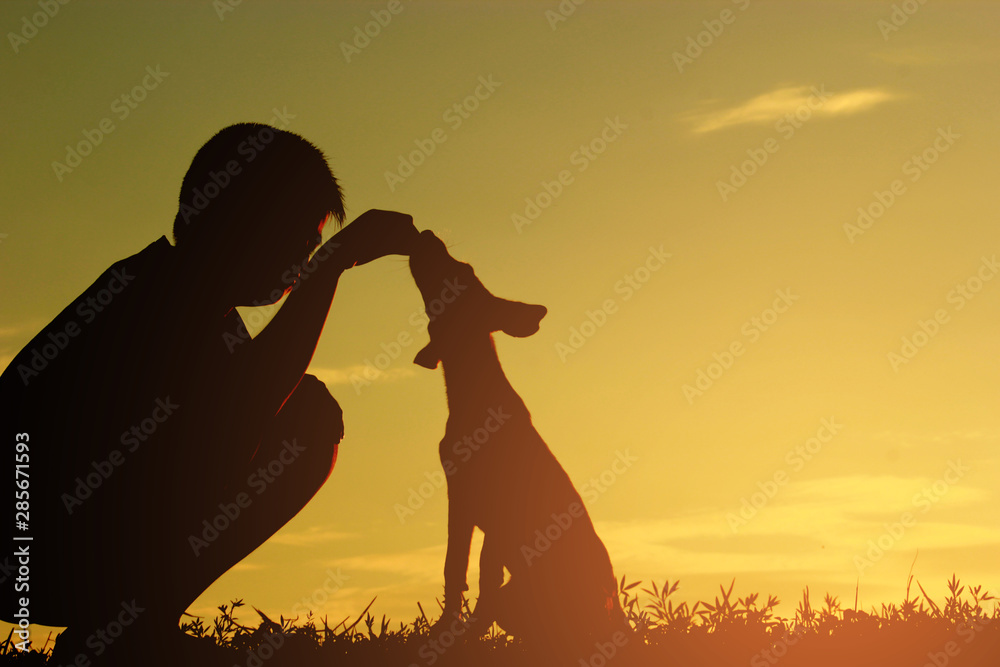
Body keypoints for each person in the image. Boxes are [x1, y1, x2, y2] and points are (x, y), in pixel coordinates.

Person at [0, 123, 417, 663]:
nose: (300, 262)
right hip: (36, 553)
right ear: (228, 219)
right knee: (305, 415)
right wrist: (335, 263)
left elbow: (244, 404)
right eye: (292, 238)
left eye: (309, 247)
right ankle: (125, 628)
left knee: (304, 410)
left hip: (62, 550)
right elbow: (243, 412)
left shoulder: (201, 312)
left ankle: (127, 624)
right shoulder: (144, 298)